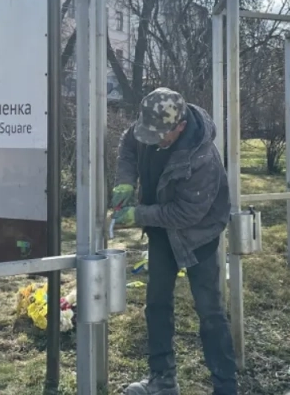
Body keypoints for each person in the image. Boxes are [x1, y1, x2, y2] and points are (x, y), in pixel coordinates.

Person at [109, 88, 237, 395]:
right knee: (156, 303)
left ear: (179, 126)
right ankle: (162, 381)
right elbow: (128, 144)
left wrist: (137, 215)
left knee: (210, 311)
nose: (152, 141)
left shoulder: (202, 158)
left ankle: (226, 387)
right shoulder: (150, 125)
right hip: (161, 231)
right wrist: (125, 180)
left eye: (159, 136)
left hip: (198, 235)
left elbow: (185, 214)